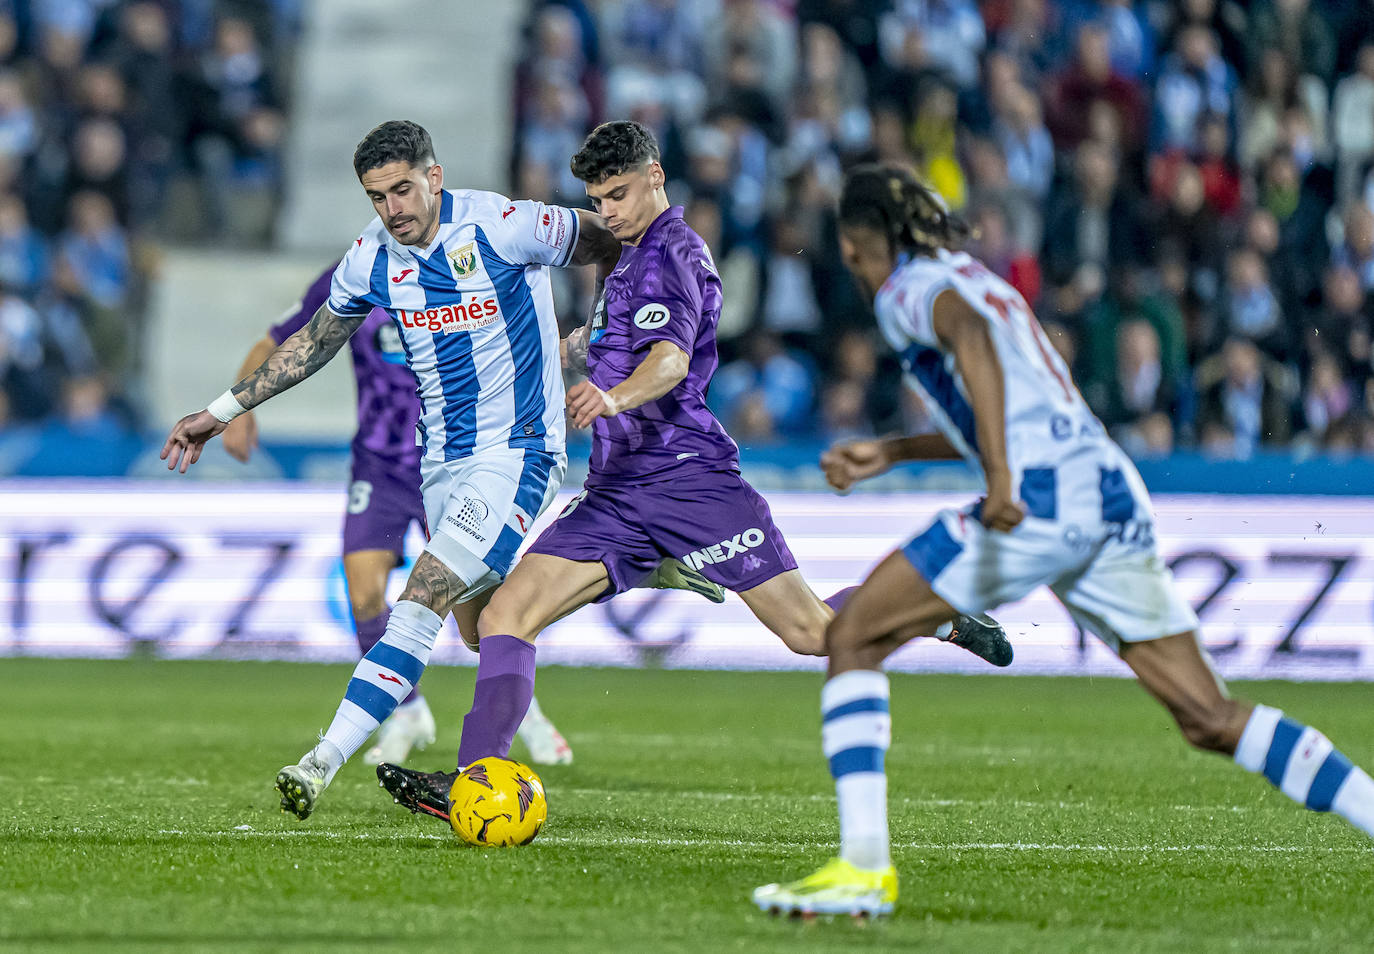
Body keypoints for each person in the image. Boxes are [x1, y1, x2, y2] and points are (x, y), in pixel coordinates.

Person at [752, 164, 1374, 919]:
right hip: (1106, 490)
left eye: (853, 251)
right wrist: (894, 452)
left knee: (851, 636)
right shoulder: (976, 277)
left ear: (870, 242)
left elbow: (975, 349)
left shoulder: (911, 291)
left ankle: (863, 868)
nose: (851, 265)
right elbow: (1010, 400)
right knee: (1207, 715)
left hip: (1038, 498)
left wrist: (1005, 482)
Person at [376, 121, 1012, 823]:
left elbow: (672, 359)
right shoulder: (622, 255)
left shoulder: (673, 253)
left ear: (656, 177)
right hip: (616, 492)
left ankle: (936, 611)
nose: (607, 212)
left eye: (618, 194)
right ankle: (476, 778)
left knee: (812, 635)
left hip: (690, 483)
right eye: (597, 198)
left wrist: (612, 395)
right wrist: (562, 350)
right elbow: (622, 335)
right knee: (501, 617)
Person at [162, 119, 628, 820]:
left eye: (403, 190)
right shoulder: (370, 261)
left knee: (421, 593)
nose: (393, 209)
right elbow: (310, 343)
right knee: (491, 625)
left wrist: (604, 329)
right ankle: (640, 561)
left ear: (433, 177)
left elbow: (610, 240)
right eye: (378, 197)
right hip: (437, 461)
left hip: (520, 449)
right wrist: (224, 408)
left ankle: (321, 761)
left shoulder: (504, 225)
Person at [219, 263, 577, 767]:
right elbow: (280, 339)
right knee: (362, 588)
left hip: (451, 463)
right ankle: (407, 712)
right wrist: (240, 406)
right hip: (380, 464)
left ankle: (527, 714)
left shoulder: (456, 269)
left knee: (474, 620)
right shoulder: (353, 275)